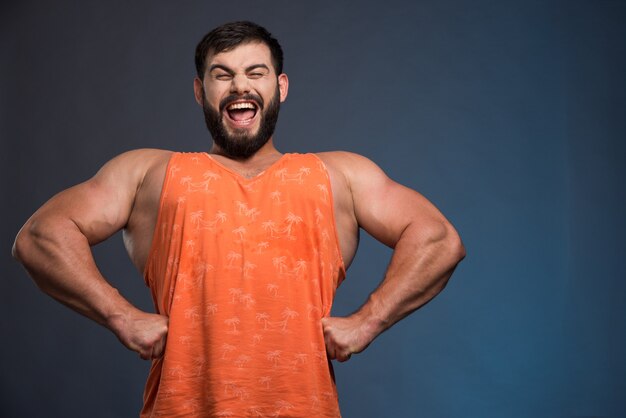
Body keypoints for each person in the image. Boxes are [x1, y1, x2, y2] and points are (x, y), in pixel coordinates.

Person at [13, 21, 465, 417]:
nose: (239, 86)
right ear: (200, 91)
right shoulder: (146, 172)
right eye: (222, 75)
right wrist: (121, 316)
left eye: (256, 73)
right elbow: (41, 235)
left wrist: (369, 321)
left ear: (280, 87)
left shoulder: (340, 175)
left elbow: (438, 238)